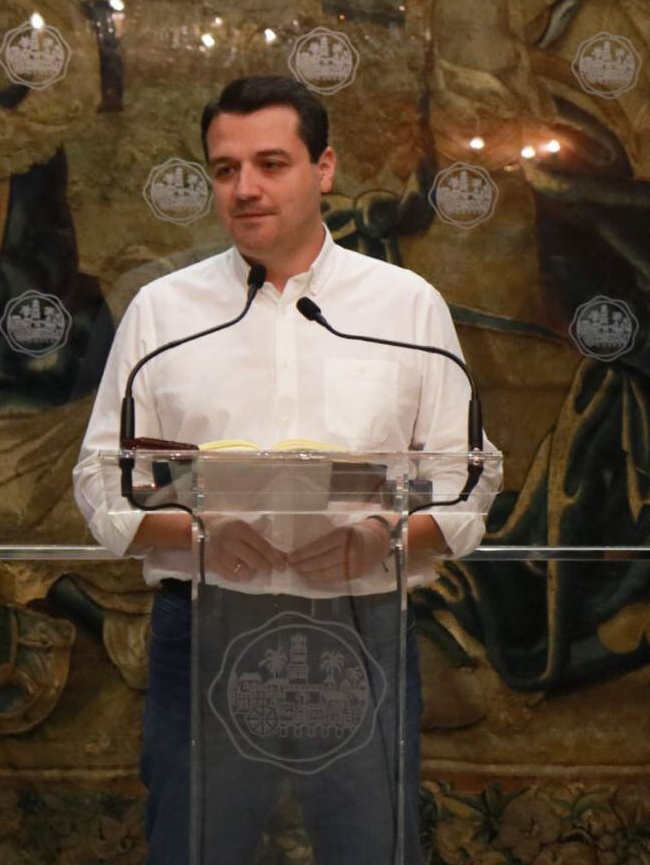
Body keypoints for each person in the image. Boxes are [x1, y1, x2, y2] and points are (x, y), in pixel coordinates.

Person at [73, 76, 499, 864]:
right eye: (226, 169)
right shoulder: (162, 312)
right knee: (195, 847)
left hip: (360, 627)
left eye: (271, 163)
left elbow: (468, 478)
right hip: (203, 626)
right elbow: (102, 480)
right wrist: (200, 530)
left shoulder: (406, 307)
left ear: (325, 168)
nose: (245, 188)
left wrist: (384, 536)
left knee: (371, 848)